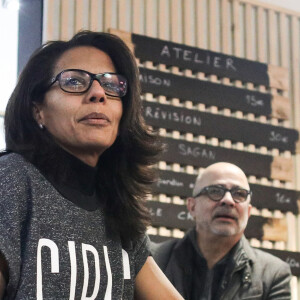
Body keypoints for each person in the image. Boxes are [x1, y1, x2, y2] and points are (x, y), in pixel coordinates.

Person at [0, 31, 184, 299]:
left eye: (111, 85)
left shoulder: (117, 207)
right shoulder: (12, 180)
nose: (98, 93)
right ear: (38, 110)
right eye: (74, 81)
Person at [152, 162, 291, 300]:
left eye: (239, 194)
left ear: (248, 212)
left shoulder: (273, 274)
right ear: (192, 206)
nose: (228, 200)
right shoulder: (154, 261)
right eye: (215, 191)